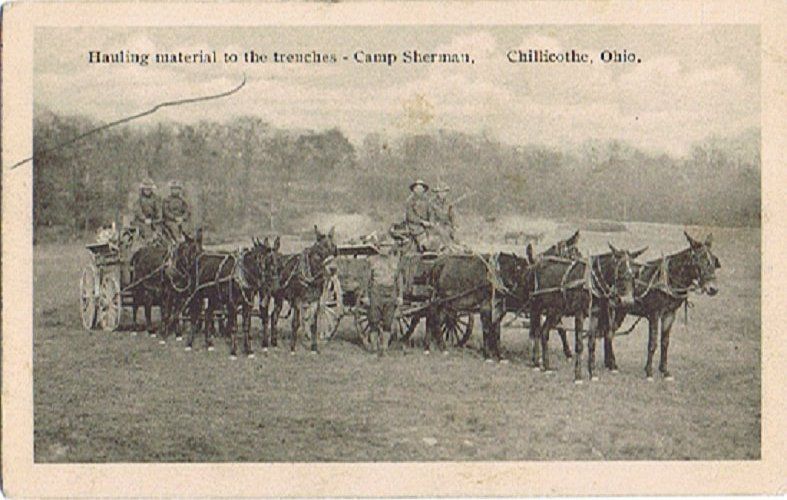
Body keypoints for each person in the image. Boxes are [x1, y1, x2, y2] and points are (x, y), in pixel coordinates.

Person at [365, 250, 403, 356]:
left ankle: (384, 349)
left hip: (390, 294)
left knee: (388, 323)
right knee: (374, 322)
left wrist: (400, 296)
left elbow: (399, 280)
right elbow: (367, 279)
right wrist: (366, 296)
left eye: (387, 246)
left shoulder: (395, 262)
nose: (384, 249)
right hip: (376, 293)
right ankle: (374, 349)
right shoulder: (372, 261)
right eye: (382, 246)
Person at [404, 179, 432, 251]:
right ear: (414, 189)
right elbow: (410, 216)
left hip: (426, 225)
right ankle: (424, 250)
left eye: (421, 188)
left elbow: (430, 212)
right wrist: (422, 222)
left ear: (423, 189)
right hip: (414, 225)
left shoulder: (427, 200)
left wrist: (431, 222)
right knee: (422, 237)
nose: (419, 190)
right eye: (417, 188)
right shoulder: (409, 201)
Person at [132, 177, 162, 241]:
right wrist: (144, 219)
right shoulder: (138, 199)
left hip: (153, 220)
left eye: (149, 189)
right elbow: (137, 210)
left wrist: (157, 219)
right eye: (146, 189)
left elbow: (159, 210)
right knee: (146, 231)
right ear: (143, 189)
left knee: (160, 232)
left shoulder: (156, 198)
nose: (147, 191)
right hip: (141, 221)